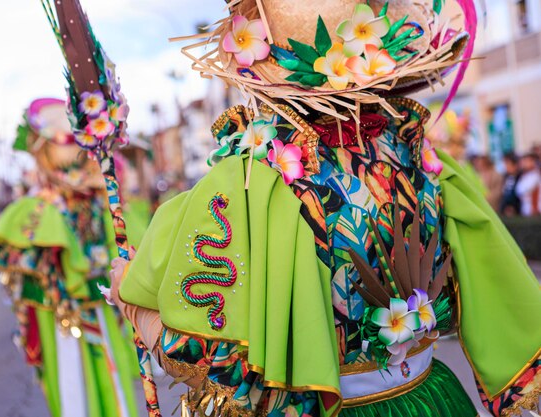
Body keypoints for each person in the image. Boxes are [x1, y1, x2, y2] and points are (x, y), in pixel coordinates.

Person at [99, 1, 540, 417]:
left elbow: (212, 359)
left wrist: (134, 306)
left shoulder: (252, 181)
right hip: (432, 398)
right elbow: (501, 292)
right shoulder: (423, 159)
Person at [0, 98, 139, 417]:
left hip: (102, 304)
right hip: (61, 310)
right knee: (73, 385)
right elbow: (6, 251)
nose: (75, 171)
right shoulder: (38, 205)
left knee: (113, 378)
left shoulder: (100, 200)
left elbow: (120, 242)